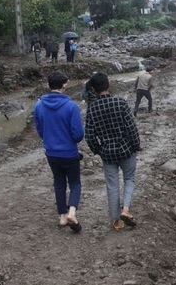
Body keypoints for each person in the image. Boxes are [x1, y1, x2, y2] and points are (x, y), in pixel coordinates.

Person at [85, 72, 141, 231]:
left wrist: (99, 150)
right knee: (129, 179)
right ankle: (125, 210)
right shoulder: (120, 103)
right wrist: (136, 146)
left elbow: (89, 135)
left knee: (112, 185)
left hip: (107, 152)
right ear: (108, 85)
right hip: (125, 149)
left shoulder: (92, 109)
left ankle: (116, 221)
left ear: (94, 90)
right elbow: (131, 128)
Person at [34, 71, 85, 232]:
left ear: (49, 85)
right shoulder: (71, 106)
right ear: (64, 85)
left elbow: (40, 129)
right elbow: (78, 135)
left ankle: (62, 216)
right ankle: (72, 212)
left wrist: (50, 140)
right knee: (75, 183)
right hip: (69, 152)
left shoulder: (39, 105)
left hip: (51, 152)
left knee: (59, 183)